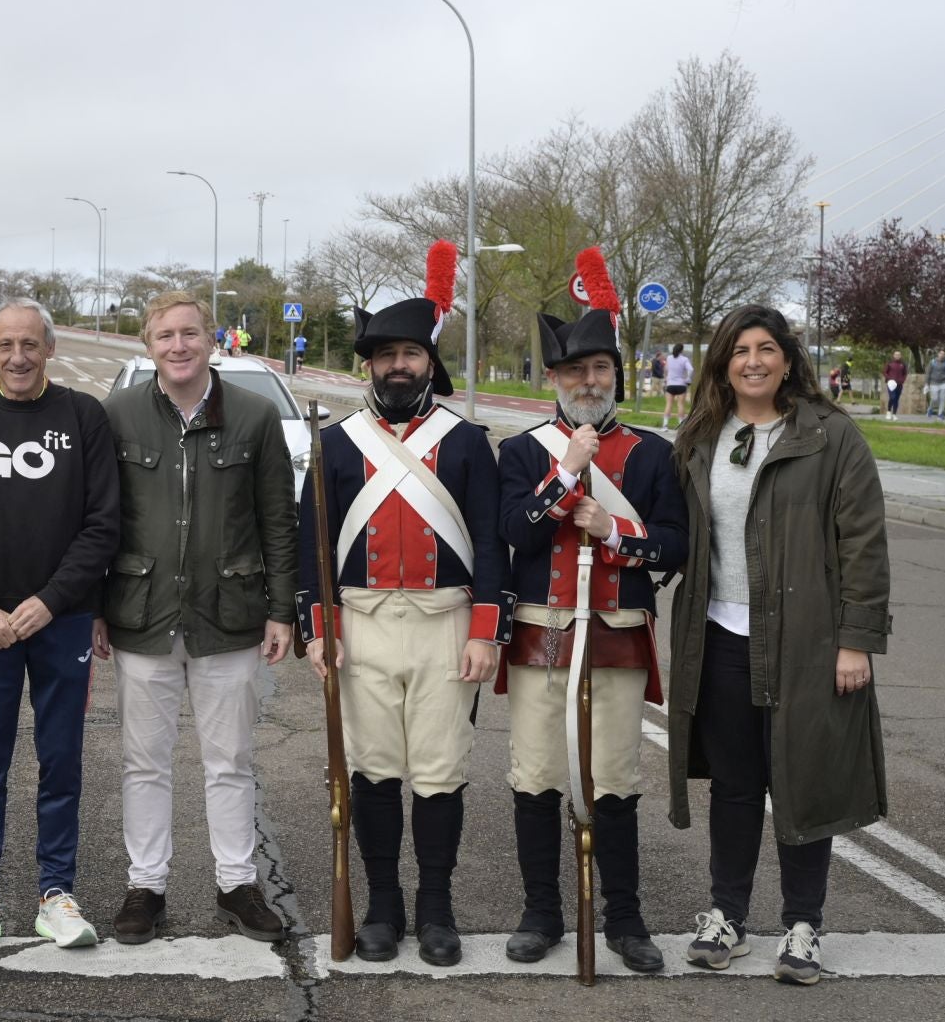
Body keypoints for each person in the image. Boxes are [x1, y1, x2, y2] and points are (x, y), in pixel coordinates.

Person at [668, 304, 891, 986]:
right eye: (740, 350)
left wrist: (856, 640)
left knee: (803, 782)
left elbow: (863, 543)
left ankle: (803, 925)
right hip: (720, 638)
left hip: (807, 643)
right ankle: (727, 917)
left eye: (767, 348)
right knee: (735, 787)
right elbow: (676, 531)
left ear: (788, 359)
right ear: (722, 363)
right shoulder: (701, 435)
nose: (754, 360)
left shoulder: (831, 436)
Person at [298, 246, 510, 965]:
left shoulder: (468, 444)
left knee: (441, 771)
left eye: (410, 354)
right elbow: (311, 547)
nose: (398, 366)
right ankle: (384, 905)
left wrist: (487, 630)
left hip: (446, 624)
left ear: (429, 362)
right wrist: (318, 629)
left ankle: (437, 906)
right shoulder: (334, 444)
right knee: (376, 770)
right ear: (370, 365)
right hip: (359, 626)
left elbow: (491, 541)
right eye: (385, 354)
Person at [496, 275, 687, 974]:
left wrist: (615, 529)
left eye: (600, 368)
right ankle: (541, 912)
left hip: (615, 629)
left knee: (613, 779)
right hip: (541, 630)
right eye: (575, 370)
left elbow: (677, 543)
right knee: (537, 777)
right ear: (553, 377)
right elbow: (512, 530)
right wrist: (565, 473)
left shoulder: (653, 453)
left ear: (617, 375)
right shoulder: (521, 452)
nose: (588, 380)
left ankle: (626, 919)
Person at [96, 292, 296, 946]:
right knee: (144, 762)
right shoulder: (117, 415)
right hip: (142, 615)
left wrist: (281, 610)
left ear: (214, 340)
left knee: (230, 760)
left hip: (230, 617)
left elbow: (278, 522)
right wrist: (97, 607)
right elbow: (99, 521)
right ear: (147, 343)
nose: (178, 345)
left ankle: (237, 883)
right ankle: (145, 887)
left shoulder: (257, 417)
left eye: (190, 333)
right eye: (165, 335)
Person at [0, 297, 120, 956]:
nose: (18, 357)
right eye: (6, 344)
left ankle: (55, 895)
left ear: (50, 348)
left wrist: (53, 600)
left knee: (60, 761)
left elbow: (103, 523)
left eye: (30, 344)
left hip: (61, 622)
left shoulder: (82, 415)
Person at [662, 343, 693, 429]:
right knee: (680, 404)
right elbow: (690, 369)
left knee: (668, 404)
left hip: (670, 384)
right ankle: (680, 426)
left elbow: (666, 369)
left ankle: (665, 425)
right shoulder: (684, 359)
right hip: (681, 384)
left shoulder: (669, 358)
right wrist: (687, 379)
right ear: (681, 350)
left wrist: (666, 379)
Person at [924, 349, 945, 420]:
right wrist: (927, 383)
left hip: (943, 384)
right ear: (938, 354)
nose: (942, 355)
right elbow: (928, 373)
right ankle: (930, 409)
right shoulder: (933, 362)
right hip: (933, 383)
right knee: (934, 398)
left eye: (943, 354)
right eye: (941, 354)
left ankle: (940, 414)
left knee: (942, 399)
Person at [883, 351, 907, 420]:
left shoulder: (903, 364)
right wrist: (889, 379)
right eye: (896, 355)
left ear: (900, 356)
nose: (897, 356)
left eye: (899, 355)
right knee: (892, 397)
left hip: (899, 384)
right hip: (891, 384)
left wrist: (902, 380)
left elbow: (905, 373)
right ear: (893, 355)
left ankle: (894, 414)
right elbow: (885, 372)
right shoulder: (890, 363)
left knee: (896, 399)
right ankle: (888, 411)